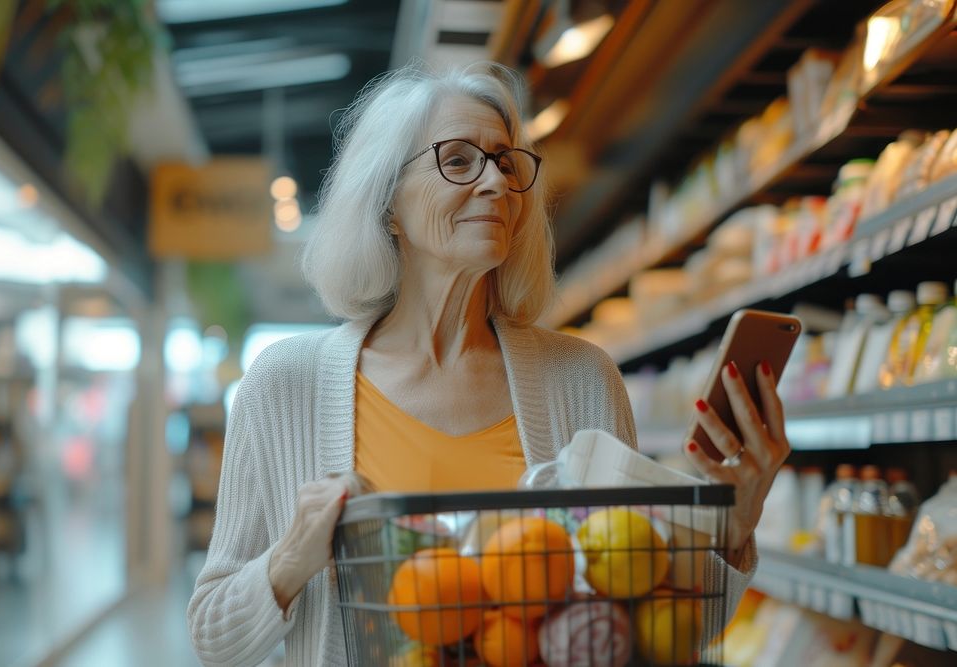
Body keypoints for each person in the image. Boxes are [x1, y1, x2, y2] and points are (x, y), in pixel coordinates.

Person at [187, 63, 791, 666]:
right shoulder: (285, 385)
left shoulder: (580, 380)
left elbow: (647, 631)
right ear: (387, 199)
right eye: (458, 161)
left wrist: (731, 528)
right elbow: (212, 637)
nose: (496, 184)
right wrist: (290, 558)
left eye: (505, 162)